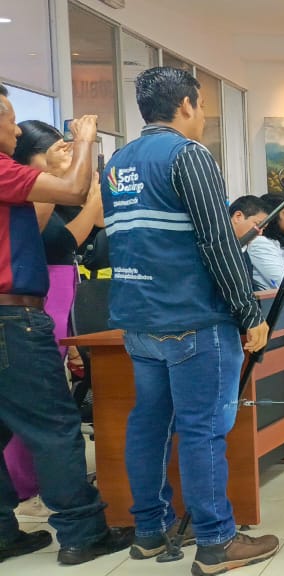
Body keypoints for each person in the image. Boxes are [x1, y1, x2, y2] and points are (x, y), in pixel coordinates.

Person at [100, 67, 279, 575]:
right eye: (201, 107)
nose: (202, 117)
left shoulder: (118, 163)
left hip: (139, 319)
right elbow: (217, 241)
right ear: (185, 105)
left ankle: (149, 532)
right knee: (202, 430)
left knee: (149, 423)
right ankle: (217, 541)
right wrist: (249, 312)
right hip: (192, 317)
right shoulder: (188, 155)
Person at [0, 88, 133, 565]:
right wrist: (86, 139)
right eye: (9, 119)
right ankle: (82, 532)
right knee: (55, 427)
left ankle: (3, 534)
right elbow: (75, 192)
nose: (16, 131)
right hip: (13, 318)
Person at [6, 119, 107, 523]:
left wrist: (86, 186)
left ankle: (13, 518)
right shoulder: (20, 183)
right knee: (47, 417)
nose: (14, 130)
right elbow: (61, 234)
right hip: (24, 308)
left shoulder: (44, 188)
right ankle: (74, 524)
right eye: (59, 149)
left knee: (32, 410)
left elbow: (96, 221)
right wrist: (79, 154)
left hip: (45, 301)